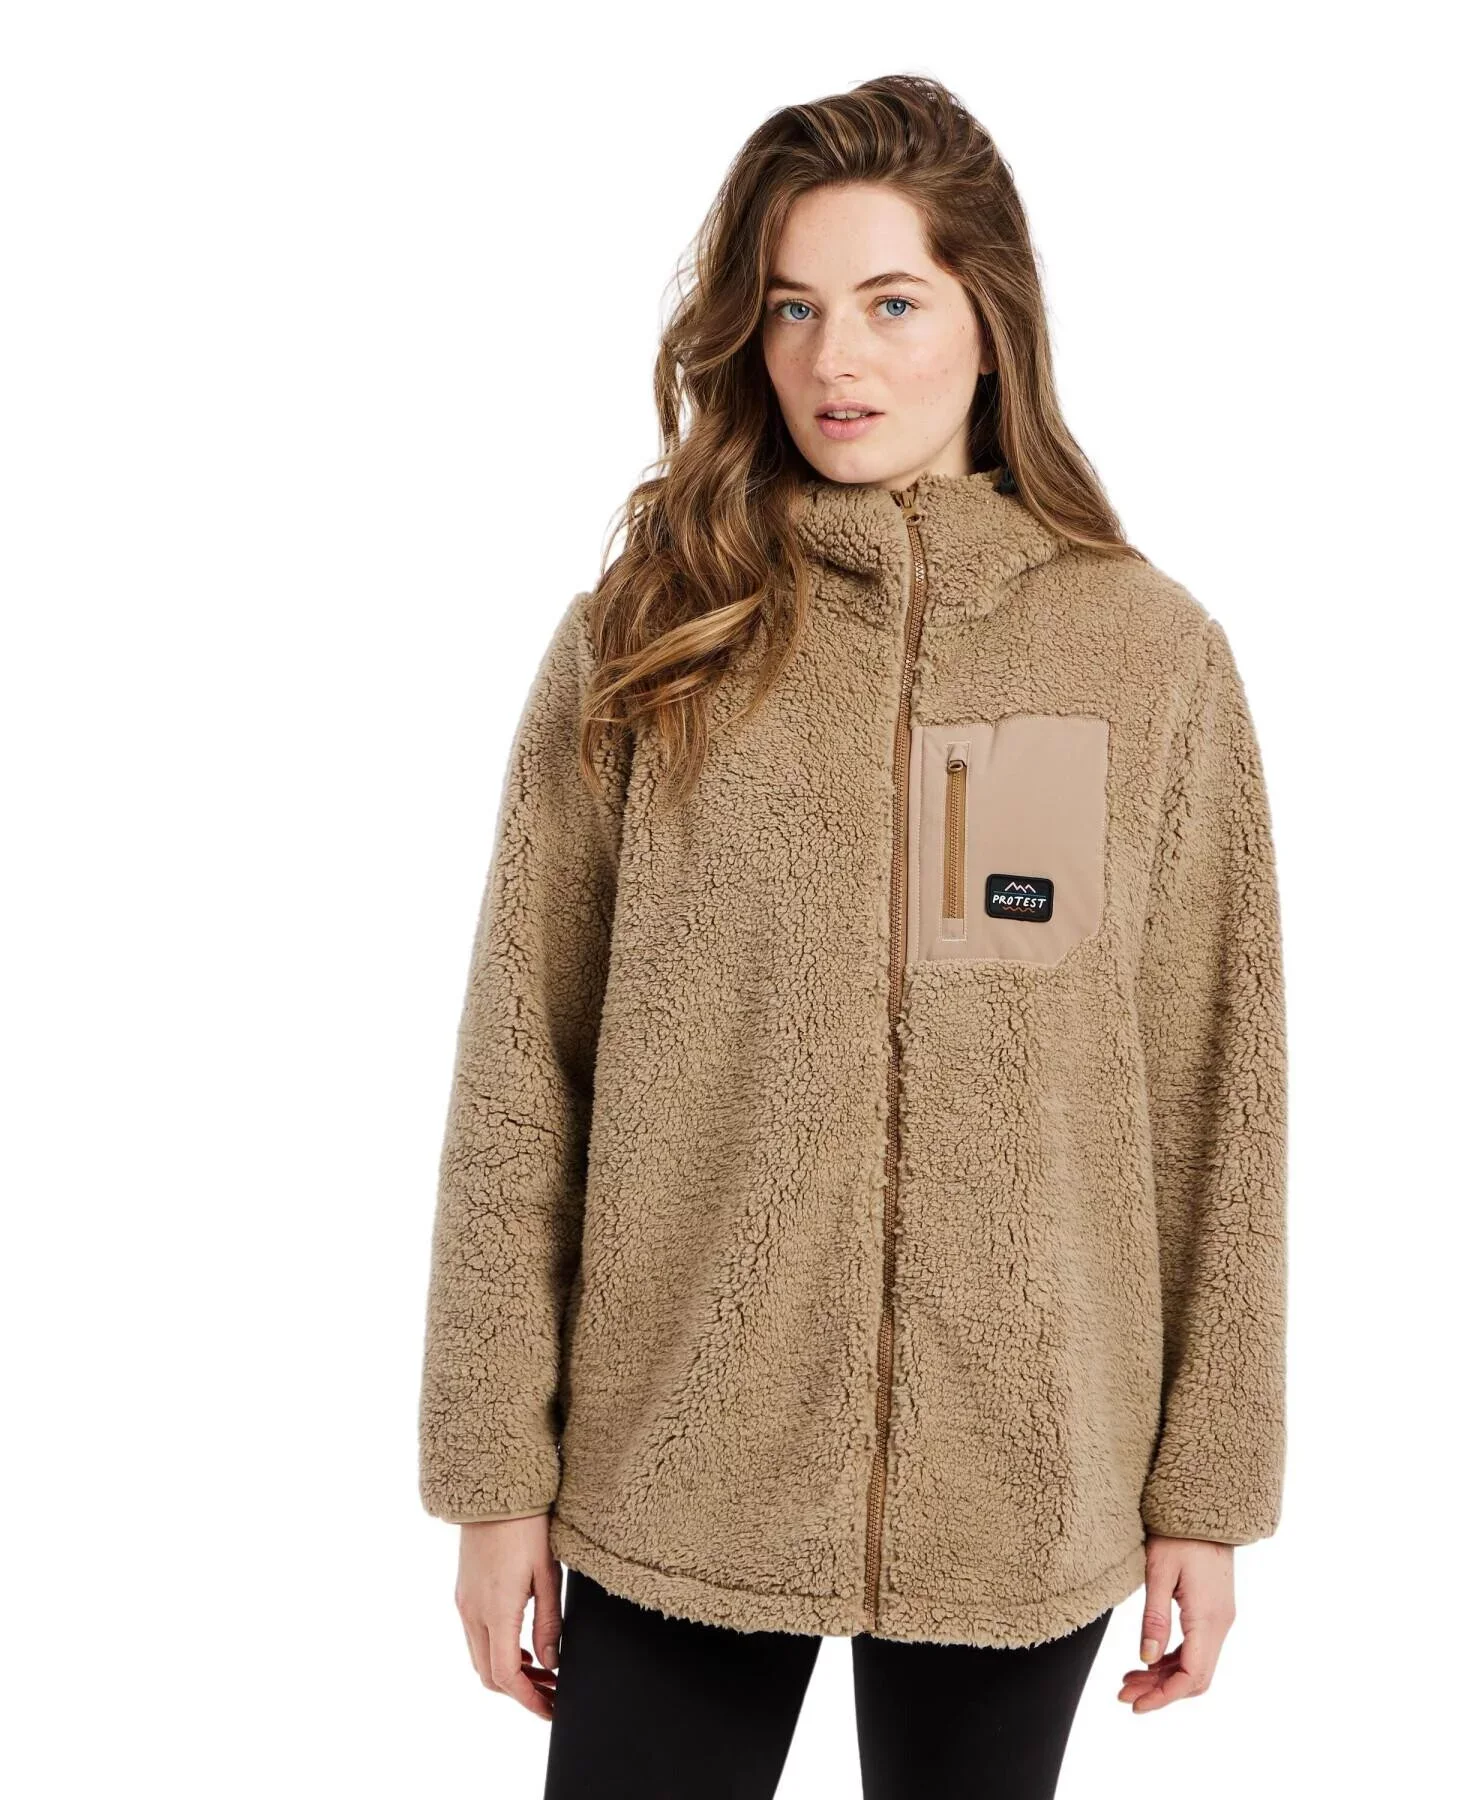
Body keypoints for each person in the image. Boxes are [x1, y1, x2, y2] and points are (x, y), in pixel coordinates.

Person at [418, 72, 1288, 1799]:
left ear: (990, 322)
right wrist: (492, 1476)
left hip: (1023, 1470)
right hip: (684, 1454)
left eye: (893, 303)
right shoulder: (648, 635)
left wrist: (1207, 1491)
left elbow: (1220, 1095)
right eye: (793, 309)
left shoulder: (1146, 655)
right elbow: (523, 1066)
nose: (837, 361)